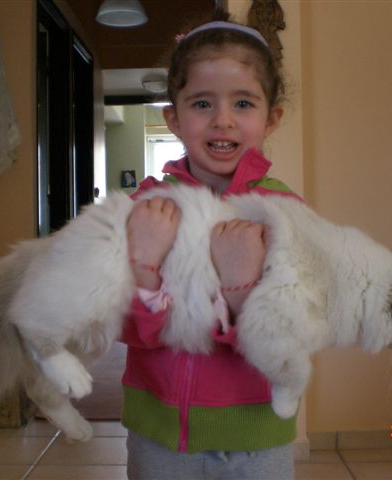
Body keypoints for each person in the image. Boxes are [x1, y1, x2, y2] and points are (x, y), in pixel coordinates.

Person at [121, 10, 302, 480]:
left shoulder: (285, 214)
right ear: (173, 118)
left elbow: (293, 337)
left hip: (258, 439)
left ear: (271, 118)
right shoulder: (145, 208)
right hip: (159, 436)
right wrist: (143, 265)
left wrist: (241, 290)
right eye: (202, 103)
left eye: (243, 103)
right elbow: (120, 326)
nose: (222, 121)